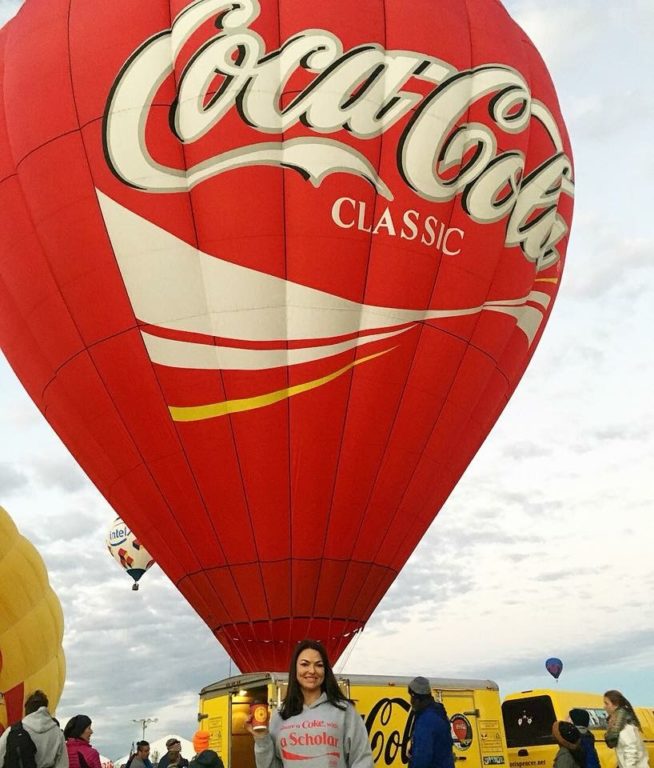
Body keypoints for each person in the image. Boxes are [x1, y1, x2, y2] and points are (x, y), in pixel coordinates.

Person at [248, 639, 374, 767]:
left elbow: (362, 760)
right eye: (305, 664)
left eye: (319, 665)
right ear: (295, 669)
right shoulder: (280, 716)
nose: (312, 670)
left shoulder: (344, 711)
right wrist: (261, 738)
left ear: (325, 670)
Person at [0, 690, 68, 768]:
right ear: (46, 708)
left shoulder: (13, 730)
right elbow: (63, 764)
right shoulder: (57, 733)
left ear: (27, 709)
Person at [406, 676, 454, 768]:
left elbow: (422, 757)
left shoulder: (425, 721)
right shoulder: (439, 714)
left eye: (411, 698)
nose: (411, 702)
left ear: (416, 698)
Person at [604, 690, 649, 768]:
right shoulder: (619, 725)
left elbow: (631, 753)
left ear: (616, 705)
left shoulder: (627, 727)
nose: (604, 706)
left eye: (606, 703)